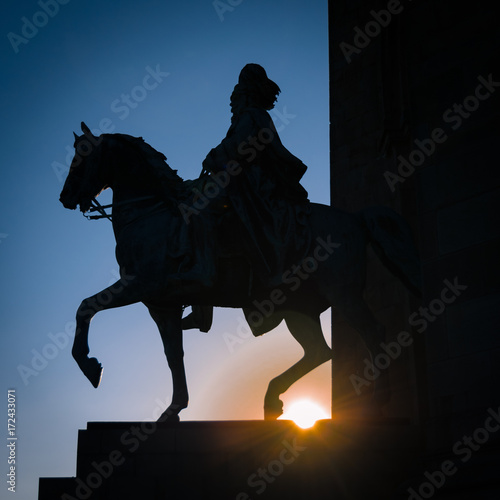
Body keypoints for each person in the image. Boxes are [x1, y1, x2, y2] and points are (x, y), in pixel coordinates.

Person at [183, 64, 311, 332]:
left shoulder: (252, 116)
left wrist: (215, 156)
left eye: (237, 97)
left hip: (252, 186)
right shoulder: (250, 116)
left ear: (246, 94)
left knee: (198, 212)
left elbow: (240, 148)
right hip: (241, 181)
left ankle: (202, 298)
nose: (233, 104)